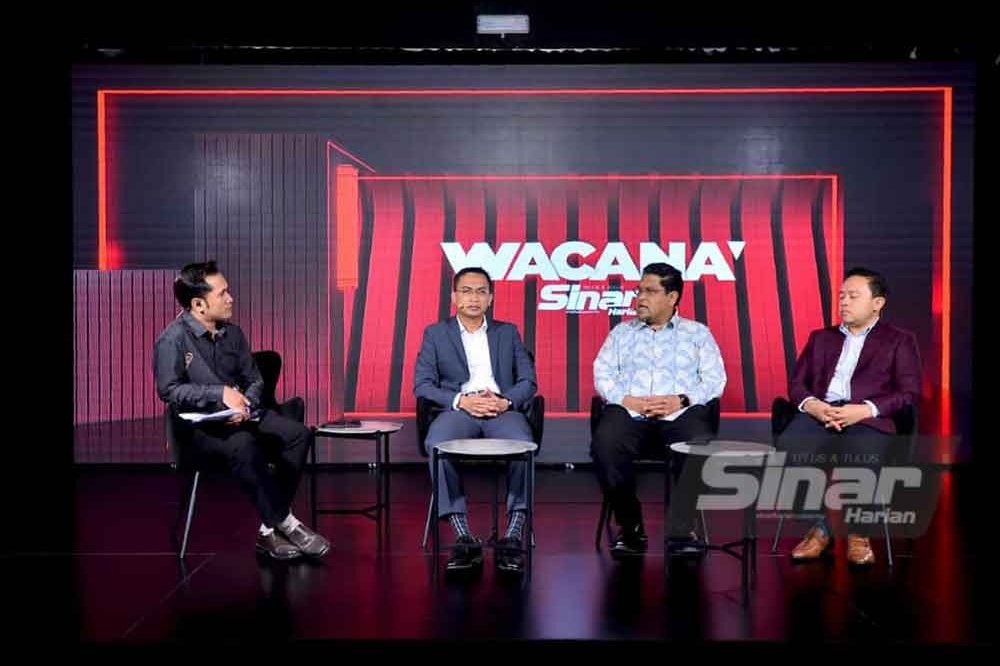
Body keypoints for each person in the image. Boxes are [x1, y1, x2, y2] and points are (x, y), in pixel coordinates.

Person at [154, 261, 330, 560]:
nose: (230, 298)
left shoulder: (233, 334)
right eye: (223, 293)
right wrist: (219, 394)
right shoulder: (172, 339)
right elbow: (169, 391)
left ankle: (268, 528)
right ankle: (286, 522)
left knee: (298, 434)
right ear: (198, 304)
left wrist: (245, 404)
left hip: (241, 418)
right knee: (244, 444)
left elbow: (254, 378)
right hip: (198, 430)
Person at [414, 267, 538, 574]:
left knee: (522, 446)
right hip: (460, 410)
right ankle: (462, 534)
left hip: (500, 410)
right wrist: (461, 400)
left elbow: (528, 381)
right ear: (454, 296)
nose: (474, 297)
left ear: (491, 297)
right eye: (467, 291)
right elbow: (423, 384)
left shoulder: (507, 332)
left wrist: (505, 401)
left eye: (481, 291)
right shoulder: (436, 333)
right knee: (438, 445)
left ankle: (513, 534)